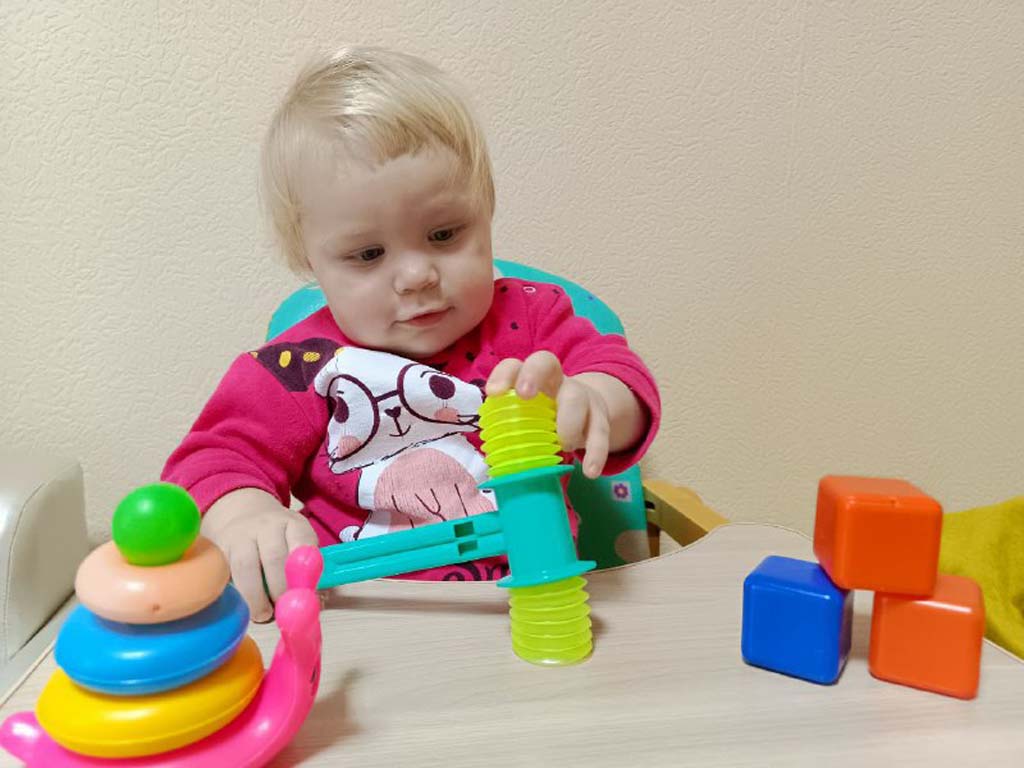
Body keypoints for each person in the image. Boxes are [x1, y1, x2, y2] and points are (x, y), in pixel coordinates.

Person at [162, 46, 661, 622]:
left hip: (539, 606)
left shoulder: (532, 319)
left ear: (486, 209)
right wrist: (243, 515)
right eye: (368, 254)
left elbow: (619, 374)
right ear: (309, 260)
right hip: (364, 618)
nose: (417, 275)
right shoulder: (298, 368)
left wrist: (594, 400)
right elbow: (214, 456)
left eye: (444, 234)